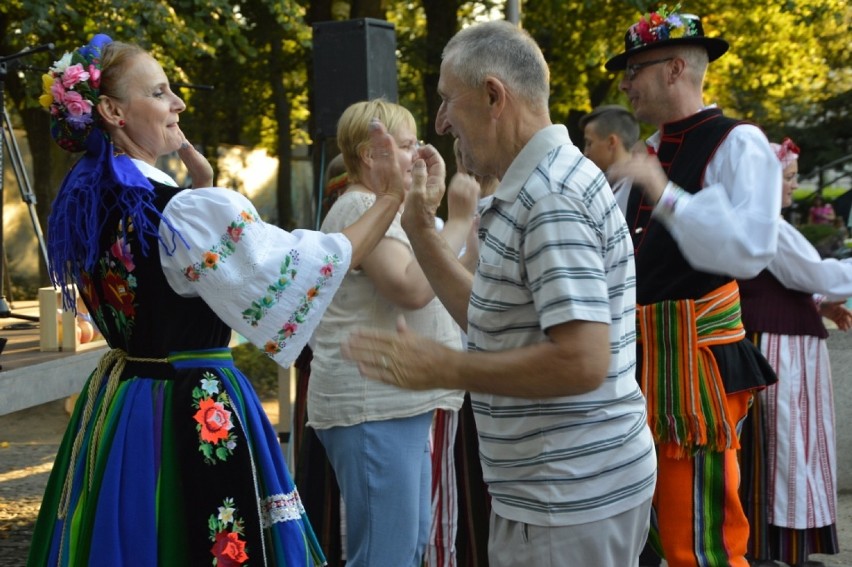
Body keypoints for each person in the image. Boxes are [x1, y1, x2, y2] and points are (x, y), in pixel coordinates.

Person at [28, 35, 407, 567]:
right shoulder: (181, 212)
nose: (178, 103)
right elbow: (303, 263)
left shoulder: (88, 196)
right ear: (112, 111)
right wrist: (390, 197)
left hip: (124, 402)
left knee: (137, 533)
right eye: (160, 92)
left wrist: (199, 187)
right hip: (190, 401)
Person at [343, 20, 657, 567]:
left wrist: (447, 369)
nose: (440, 123)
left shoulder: (550, 197)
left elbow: (582, 361)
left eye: (447, 101)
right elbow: (490, 317)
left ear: (493, 95)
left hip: (568, 496)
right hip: (558, 492)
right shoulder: (540, 184)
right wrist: (419, 226)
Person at [604, 6, 782, 567]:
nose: (626, 84)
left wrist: (667, 192)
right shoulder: (645, 154)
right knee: (646, 524)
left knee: (697, 528)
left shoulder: (740, 142)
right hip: (636, 361)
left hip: (693, 366)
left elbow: (750, 250)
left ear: (676, 68)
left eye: (635, 69)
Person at [306, 98, 476, 567]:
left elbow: (441, 274)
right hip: (372, 405)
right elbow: (411, 288)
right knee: (387, 553)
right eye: (406, 145)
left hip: (394, 403)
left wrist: (441, 210)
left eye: (418, 143)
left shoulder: (390, 211)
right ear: (370, 156)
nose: (419, 154)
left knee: (408, 544)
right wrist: (459, 219)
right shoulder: (357, 206)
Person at [738, 137, 852, 567]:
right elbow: (808, 273)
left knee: (796, 445)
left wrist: (822, 302)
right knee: (782, 446)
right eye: (787, 177)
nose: (793, 185)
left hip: (790, 344)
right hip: (777, 346)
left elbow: (799, 279)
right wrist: (826, 289)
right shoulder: (762, 223)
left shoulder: (770, 225)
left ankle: (784, 549)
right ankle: (768, 549)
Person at [579, 104, 640, 214]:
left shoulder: (638, 191)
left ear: (611, 142)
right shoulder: (605, 185)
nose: (586, 153)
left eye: (589, 143)